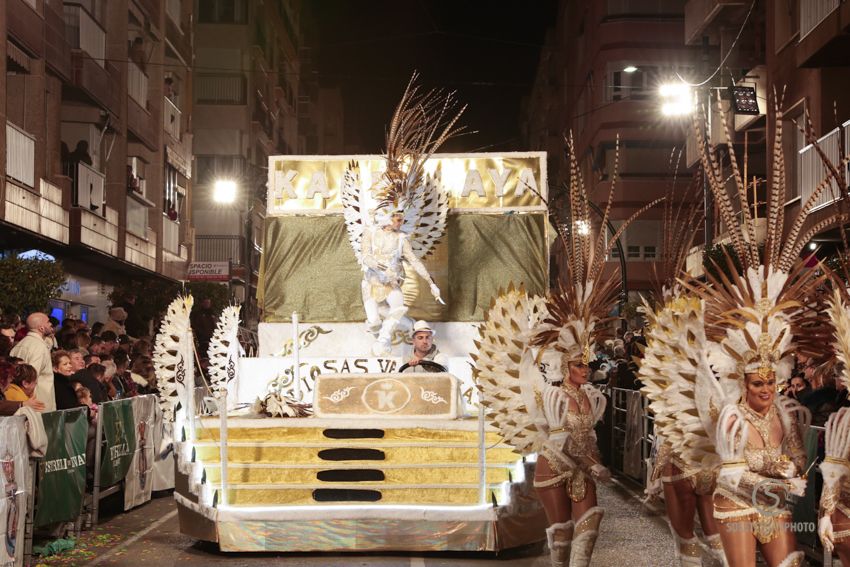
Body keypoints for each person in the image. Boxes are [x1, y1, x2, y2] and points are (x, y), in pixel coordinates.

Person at [360, 209, 442, 355]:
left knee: (398, 308)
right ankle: (404, 328)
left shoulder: (401, 238)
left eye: (402, 220)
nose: (401, 223)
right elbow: (365, 257)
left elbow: (414, 261)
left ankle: (383, 341)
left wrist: (431, 283)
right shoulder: (370, 233)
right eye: (398, 219)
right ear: (387, 218)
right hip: (371, 283)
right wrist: (384, 268)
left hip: (391, 284)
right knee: (374, 323)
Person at [10, 312, 56, 411]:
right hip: (37, 406)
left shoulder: (19, 345)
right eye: (48, 322)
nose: (51, 324)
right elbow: (30, 379)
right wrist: (29, 404)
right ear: (41, 328)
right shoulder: (39, 347)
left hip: (22, 402)